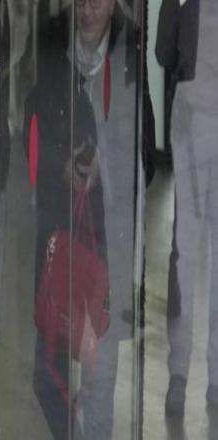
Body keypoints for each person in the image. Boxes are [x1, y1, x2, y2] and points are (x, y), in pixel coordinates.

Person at [30, 1, 155, 438]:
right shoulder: (51, 37)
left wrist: (108, 164)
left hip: (107, 245)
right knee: (47, 373)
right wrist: (60, 165)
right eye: (80, 0)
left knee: (101, 380)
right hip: (61, 238)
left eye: (98, 1)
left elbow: (144, 149)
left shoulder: (129, 45)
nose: (87, 11)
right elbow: (32, 125)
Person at [156, 0, 218, 418]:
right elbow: (163, 52)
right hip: (191, 127)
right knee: (185, 256)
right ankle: (178, 372)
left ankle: (216, 379)